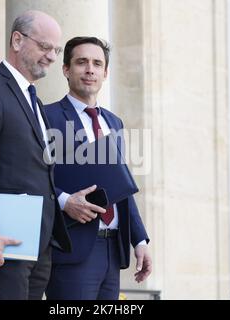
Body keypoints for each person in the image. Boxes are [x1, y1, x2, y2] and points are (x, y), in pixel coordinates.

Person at [0, 10, 71, 300]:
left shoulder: (35, 102)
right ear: (17, 40)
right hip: (3, 241)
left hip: (38, 242)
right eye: (45, 46)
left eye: (56, 50)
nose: (51, 56)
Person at [44, 37, 152, 300]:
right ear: (66, 70)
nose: (90, 69)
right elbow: (34, 176)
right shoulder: (47, 116)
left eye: (97, 63)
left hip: (112, 251)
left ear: (105, 73)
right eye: (81, 62)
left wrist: (139, 240)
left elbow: (122, 186)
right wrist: (64, 201)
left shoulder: (114, 122)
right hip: (72, 249)